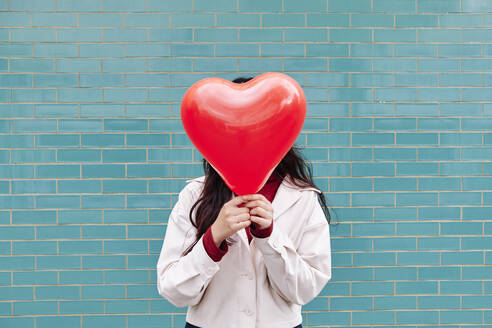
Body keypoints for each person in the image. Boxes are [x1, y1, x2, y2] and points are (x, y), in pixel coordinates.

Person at [156, 76, 333, 328]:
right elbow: (173, 290)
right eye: (234, 127)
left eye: (259, 126)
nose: (247, 137)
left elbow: (305, 290)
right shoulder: (195, 195)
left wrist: (270, 236)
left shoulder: (302, 198)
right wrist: (212, 239)